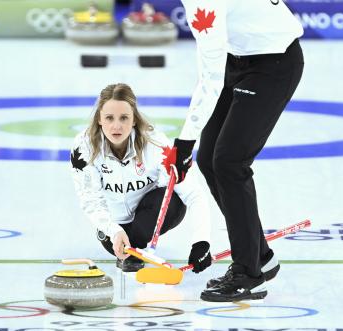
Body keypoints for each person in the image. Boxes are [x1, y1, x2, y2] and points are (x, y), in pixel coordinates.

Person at [171, 0, 305, 302]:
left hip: (274, 64)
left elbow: (210, 77)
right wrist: (189, 145)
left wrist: (184, 142)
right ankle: (260, 255)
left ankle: (249, 273)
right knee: (208, 160)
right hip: (239, 59)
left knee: (230, 162)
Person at [70, 83, 212, 273]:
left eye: (124, 118)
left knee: (174, 199)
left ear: (135, 119)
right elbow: (90, 200)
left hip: (148, 215)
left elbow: (193, 194)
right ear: (99, 120)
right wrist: (113, 230)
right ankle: (126, 245)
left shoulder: (156, 144)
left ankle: (137, 245)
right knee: (113, 227)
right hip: (114, 230)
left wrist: (201, 242)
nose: (116, 126)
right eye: (109, 118)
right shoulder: (83, 147)